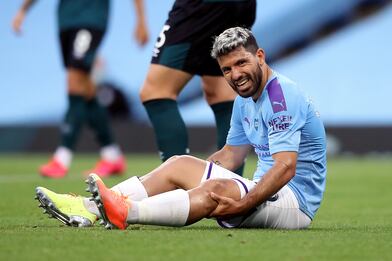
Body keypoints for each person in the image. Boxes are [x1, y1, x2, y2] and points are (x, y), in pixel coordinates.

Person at [35, 27, 327, 230]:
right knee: (179, 163)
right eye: (227, 69)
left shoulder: (281, 97)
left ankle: (126, 211)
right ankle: (88, 208)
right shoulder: (245, 99)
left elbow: (286, 167)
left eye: (242, 63)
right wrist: (187, 174)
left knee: (214, 189)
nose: (235, 75)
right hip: (263, 191)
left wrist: (244, 203)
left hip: (294, 203)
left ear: (260, 56)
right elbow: (231, 155)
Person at [12, 0, 149, 178]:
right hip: (66, 21)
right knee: (86, 88)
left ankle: (62, 157)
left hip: (91, 20)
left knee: (74, 81)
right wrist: (23, 10)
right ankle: (112, 156)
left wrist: (141, 20)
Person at [140, 0, 256, 176]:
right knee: (220, 93)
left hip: (201, 6)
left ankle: (179, 184)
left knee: (156, 92)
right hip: (242, 5)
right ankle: (230, 189)